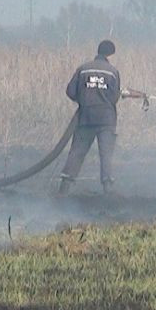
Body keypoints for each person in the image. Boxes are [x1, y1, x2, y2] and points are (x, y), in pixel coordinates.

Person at [59, 40, 122, 196]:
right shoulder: (112, 72)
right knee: (106, 154)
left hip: (85, 118)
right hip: (106, 119)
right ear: (110, 54)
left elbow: (71, 91)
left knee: (77, 152)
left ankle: (64, 189)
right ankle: (108, 189)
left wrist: (84, 100)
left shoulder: (83, 69)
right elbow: (114, 97)